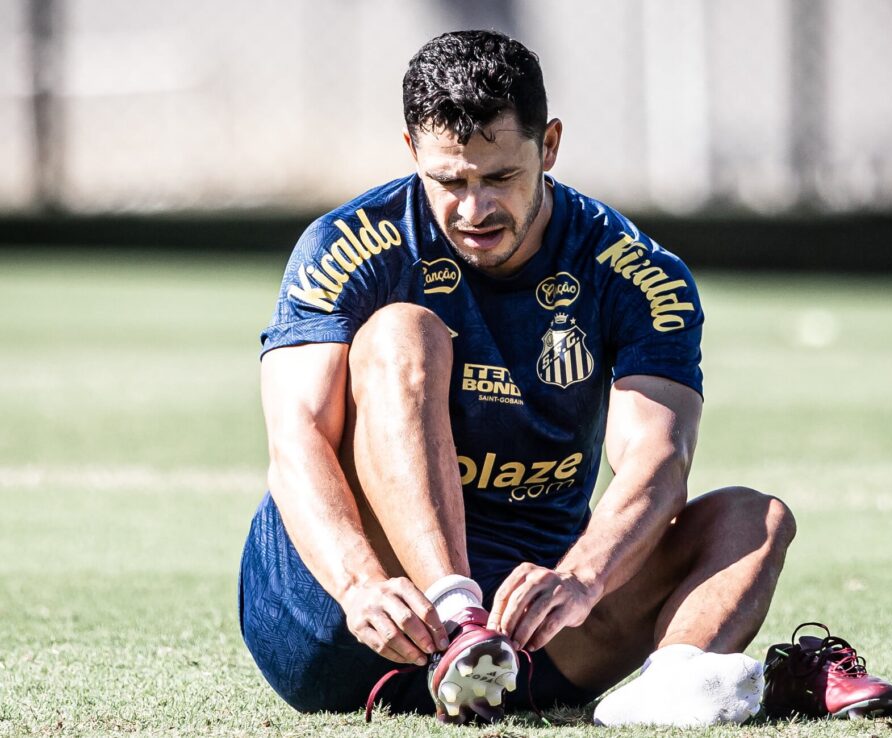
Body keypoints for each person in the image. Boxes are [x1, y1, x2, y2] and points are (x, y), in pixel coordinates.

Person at [239, 29, 798, 728]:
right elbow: (296, 440)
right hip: (347, 619)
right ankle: (454, 612)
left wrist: (582, 577)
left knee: (754, 518)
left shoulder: (636, 272)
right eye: (450, 182)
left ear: (550, 146)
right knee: (400, 331)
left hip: (528, 641)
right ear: (412, 151)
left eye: (500, 177)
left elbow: (659, 456)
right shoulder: (348, 244)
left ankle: (674, 680)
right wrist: (359, 588)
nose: (475, 210)